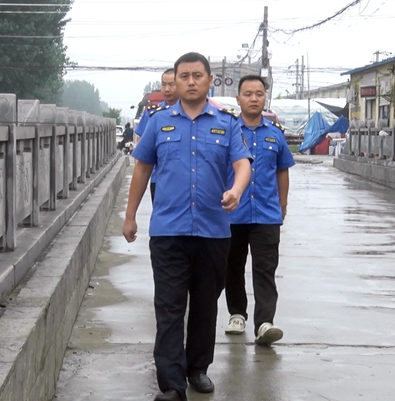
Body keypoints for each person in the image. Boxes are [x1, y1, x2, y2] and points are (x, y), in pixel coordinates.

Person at [123, 52, 252, 401]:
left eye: (197, 75)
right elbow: (142, 169)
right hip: (168, 232)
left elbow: (242, 164)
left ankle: (197, 368)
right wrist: (131, 215)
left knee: (205, 305)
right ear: (175, 81)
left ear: (210, 80)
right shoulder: (158, 122)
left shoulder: (226, 124)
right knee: (169, 308)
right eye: (184, 76)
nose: (191, 81)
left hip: (213, 232)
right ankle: (172, 386)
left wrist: (237, 190)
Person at [223, 75, 295, 345]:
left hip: (266, 213)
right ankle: (236, 314)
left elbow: (282, 171)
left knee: (265, 269)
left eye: (259, 94)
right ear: (238, 98)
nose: (254, 99)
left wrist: (282, 205)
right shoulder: (228, 132)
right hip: (233, 214)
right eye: (248, 94)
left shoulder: (275, 134)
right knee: (233, 267)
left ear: (265, 98)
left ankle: (265, 323)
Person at [135, 68, 179, 202]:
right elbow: (141, 142)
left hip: (182, 178)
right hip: (158, 179)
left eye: (171, 85)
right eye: (163, 84)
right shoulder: (153, 114)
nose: (166, 89)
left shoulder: (189, 113)